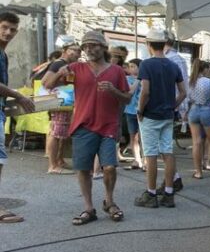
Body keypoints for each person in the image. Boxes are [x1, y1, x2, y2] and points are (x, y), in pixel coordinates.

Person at [43, 30, 131, 225]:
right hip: (83, 125)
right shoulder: (76, 68)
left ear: (103, 47)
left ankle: (109, 201)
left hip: (108, 125)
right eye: (85, 46)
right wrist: (59, 72)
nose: (89, 49)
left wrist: (113, 90)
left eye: (94, 45)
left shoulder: (116, 71)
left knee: (109, 167)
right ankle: (88, 208)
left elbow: (127, 98)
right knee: (83, 169)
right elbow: (47, 84)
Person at [133, 29, 186, 209]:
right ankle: (169, 193)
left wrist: (140, 109)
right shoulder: (173, 66)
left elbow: (145, 91)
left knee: (151, 154)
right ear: (164, 44)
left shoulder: (146, 65)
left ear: (148, 44)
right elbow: (183, 92)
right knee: (168, 152)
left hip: (150, 115)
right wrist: (173, 105)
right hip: (167, 115)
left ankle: (151, 193)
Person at [0, 12, 35, 223]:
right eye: (4, 27)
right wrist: (18, 95)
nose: (8, 32)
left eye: (12, 29)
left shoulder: (3, 54)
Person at [44, 40, 82, 174]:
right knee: (55, 132)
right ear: (65, 50)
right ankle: (53, 166)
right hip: (59, 101)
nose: (78, 53)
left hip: (64, 101)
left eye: (79, 50)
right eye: (74, 50)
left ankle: (59, 160)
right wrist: (60, 74)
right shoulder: (59, 63)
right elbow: (46, 83)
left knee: (62, 132)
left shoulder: (67, 64)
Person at [163, 31, 188, 191]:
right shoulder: (178, 59)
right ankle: (174, 177)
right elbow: (183, 87)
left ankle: (172, 181)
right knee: (165, 145)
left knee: (164, 146)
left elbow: (180, 88)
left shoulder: (169, 60)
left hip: (166, 106)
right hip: (172, 106)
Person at [123, 59, 143, 170]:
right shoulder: (127, 79)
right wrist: (138, 80)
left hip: (142, 111)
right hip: (130, 110)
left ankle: (145, 160)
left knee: (142, 137)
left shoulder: (146, 79)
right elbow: (130, 90)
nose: (132, 68)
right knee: (133, 136)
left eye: (134, 66)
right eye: (130, 66)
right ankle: (137, 159)